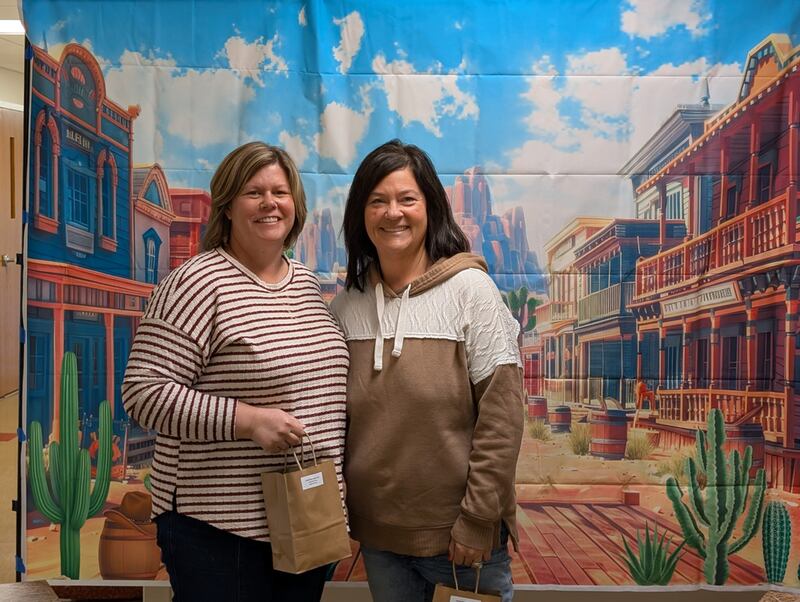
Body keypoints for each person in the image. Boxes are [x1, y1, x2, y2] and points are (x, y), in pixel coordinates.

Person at [122, 141, 349, 602]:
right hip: (219, 532)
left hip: (305, 518)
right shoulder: (196, 283)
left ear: (296, 205)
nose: (270, 203)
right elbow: (142, 393)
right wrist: (248, 420)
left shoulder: (305, 282)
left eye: (280, 192)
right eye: (254, 192)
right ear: (226, 206)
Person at [330, 140, 524, 602]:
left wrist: (477, 521)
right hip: (380, 542)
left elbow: (502, 419)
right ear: (361, 214)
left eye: (406, 199)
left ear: (431, 208)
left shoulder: (472, 291)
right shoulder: (346, 307)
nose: (392, 213)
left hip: (460, 540)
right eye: (377, 201)